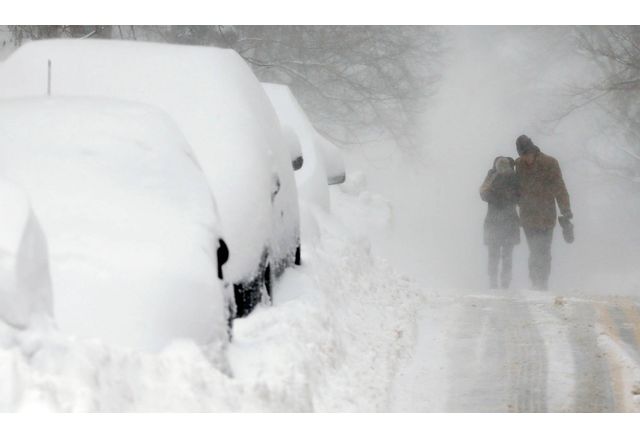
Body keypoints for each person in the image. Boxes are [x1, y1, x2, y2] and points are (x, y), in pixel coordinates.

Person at [515, 134, 572, 290]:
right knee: (534, 250)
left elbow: (560, 188)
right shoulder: (518, 165)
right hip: (527, 216)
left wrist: (565, 210)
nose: (526, 158)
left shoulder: (550, 163)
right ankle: (535, 281)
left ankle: (543, 282)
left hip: (546, 215)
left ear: (533, 150)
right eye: (522, 155)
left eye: (527, 154)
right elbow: (514, 188)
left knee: (544, 250)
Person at [479, 156, 520, 289]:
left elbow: (483, 193)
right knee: (504, 254)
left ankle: (497, 282)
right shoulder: (509, 177)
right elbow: (519, 196)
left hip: (496, 220)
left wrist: (496, 196)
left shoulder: (507, 177)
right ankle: (501, 282)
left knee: (496, 254)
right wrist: (504, 197)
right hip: (505, 221)